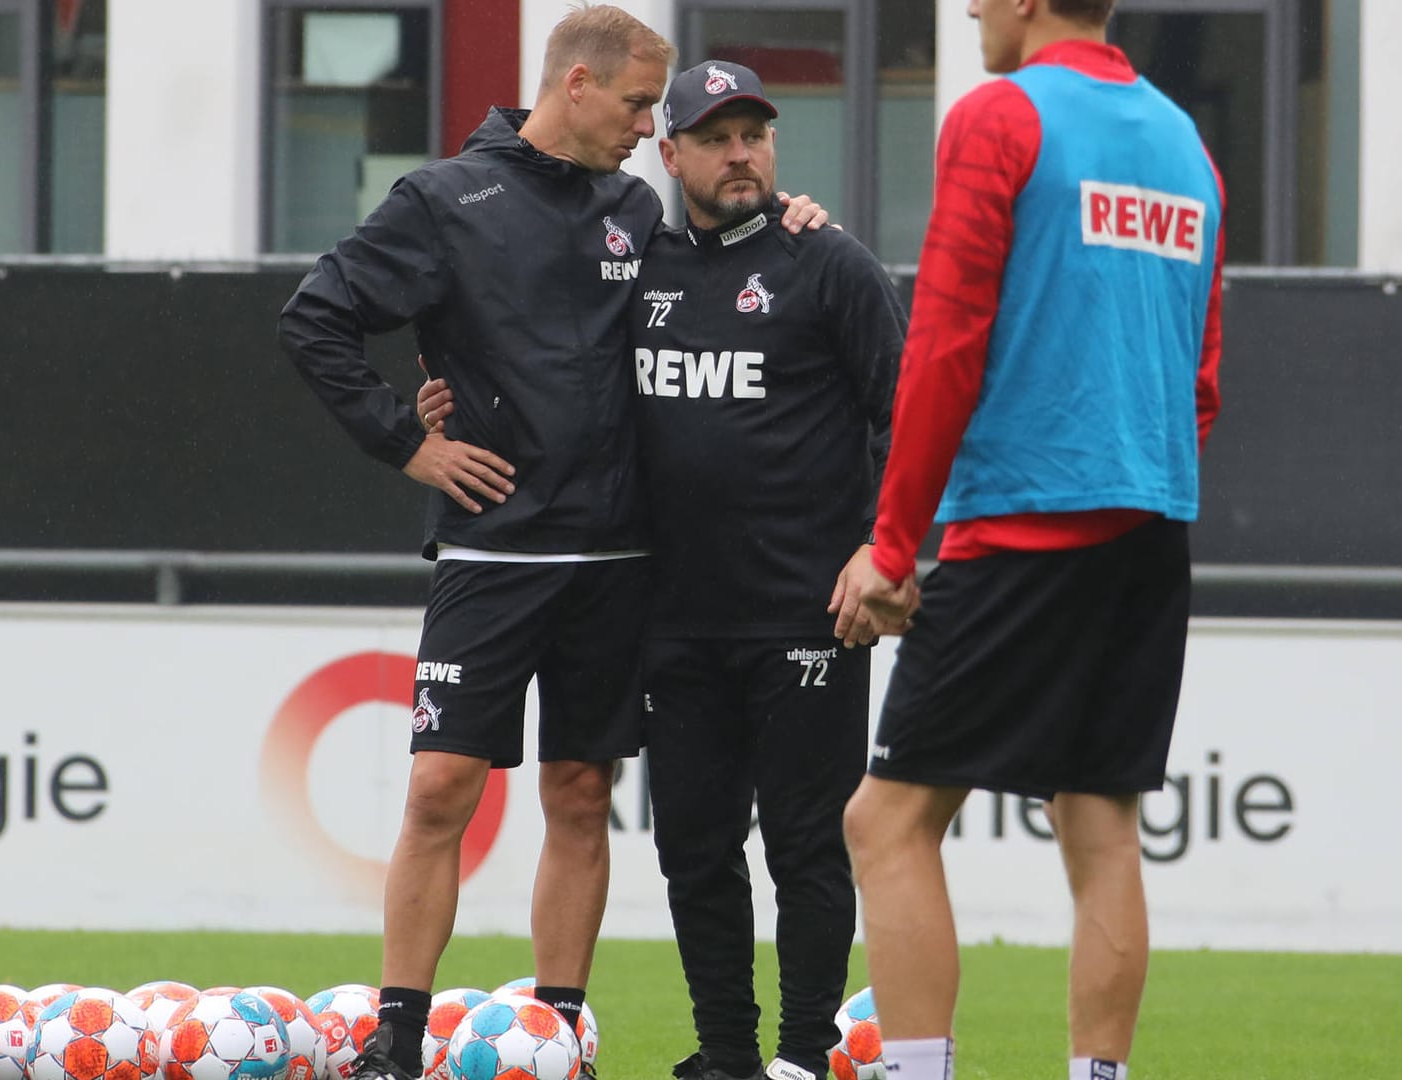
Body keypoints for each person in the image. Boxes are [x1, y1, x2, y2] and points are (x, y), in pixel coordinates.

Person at [277, 8, 823, 1080]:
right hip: (493, 554)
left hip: (621, 561)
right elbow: (314, 318)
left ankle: (557, 1032)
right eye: (634, 106)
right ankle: (396, 1037)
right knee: (440, 787)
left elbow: (711, 292)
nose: (645, 129)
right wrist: (409, 444)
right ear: (576, 86)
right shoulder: (442, 201)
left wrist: (786, 225)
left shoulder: (633, 205)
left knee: (581, 795)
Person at [418, 57, 904, 1080]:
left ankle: (805, 1057)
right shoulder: (636, 263)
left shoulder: (830, 262)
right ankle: (727, 1054)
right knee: (694, 848)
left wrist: (883, 551)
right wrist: (435, 398)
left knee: (806, 847)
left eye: (756, 135)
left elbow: (910, 419)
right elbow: (534, 347)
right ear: (668, 152)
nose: (741, 154)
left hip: (808, 612)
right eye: (717, 137)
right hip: (672, 615)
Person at [830, 2, 1226, 1079]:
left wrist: (895, 544)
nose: (965, 9)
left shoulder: (998, 117)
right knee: (1100, 825)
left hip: (1023, 520)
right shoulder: (1185, 142)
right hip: (1151, 526)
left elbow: (946, 344)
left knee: (889, 821)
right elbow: (1200, 380)